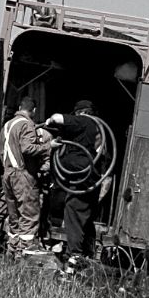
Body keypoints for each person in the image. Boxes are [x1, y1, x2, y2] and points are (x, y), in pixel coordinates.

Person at [46, 100, 104, 266]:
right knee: (85, 215)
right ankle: (87, 253)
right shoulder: (98, 128)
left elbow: (58, 118)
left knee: (73, 211)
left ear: (80, 113)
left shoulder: (85, 121)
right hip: (91, 177)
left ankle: (74, 256)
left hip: (81, 177)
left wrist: (50, 120)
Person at [0, 96, 51, 258]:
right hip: (22, 175)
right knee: (29, 216)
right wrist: (50, 146)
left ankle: (12, 253)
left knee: (14, 218)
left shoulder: (7, 125)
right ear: (33, 110)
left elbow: (0, 152)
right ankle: (26, 257)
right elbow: (27, 148)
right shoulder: (27, 124)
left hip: (7, 174)